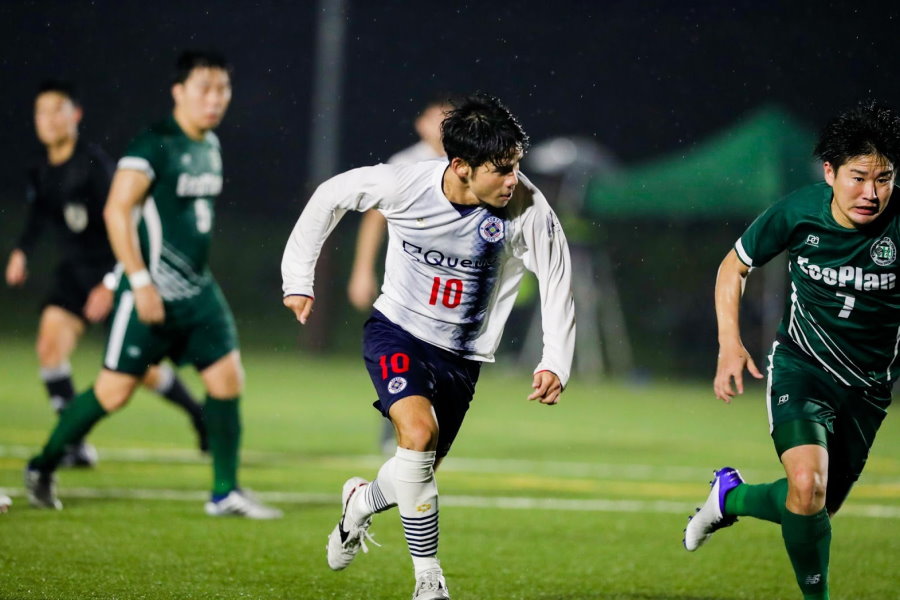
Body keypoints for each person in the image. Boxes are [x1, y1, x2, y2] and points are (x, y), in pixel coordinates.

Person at [282, 93, 575, 600]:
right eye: (501, 170)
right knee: (417, 435)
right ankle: (428, 579)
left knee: (413, 475)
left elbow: (556, 277)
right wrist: (297, 277)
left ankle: (359, 502)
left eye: (516, 167)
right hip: (396, 331)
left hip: (462, 356)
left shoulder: (527, 208)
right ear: (460, 166)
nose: (513, 180)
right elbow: (331, 194)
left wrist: (556, 360)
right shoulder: (406, 184)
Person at [24, 52, 282, 519]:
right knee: (113, 392)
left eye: (222, 88)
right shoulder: (154, 144)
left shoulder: (211, 144)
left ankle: (225, 492)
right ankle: (41, 465)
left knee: (227, 379)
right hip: (152, 293)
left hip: (198, 291)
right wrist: (138, 281)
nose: (215, 98)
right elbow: (116, 210)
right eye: (204, 87)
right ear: (178, 91)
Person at [683, 100, 900, 600]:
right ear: (830, 172)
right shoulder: (798, 212)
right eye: (858, 177)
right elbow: (731, 268)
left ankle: (729, 498)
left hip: (869, 387)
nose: (871, 192)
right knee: (806, 485)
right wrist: (730, 342)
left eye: (884, 178)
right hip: (803, 367)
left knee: (814, 504)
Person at [6, 80, 206, 466]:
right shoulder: (39, 167)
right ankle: (73, 444)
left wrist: (113, 282)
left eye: (56, 111)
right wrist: (21, 252)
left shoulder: (95, 166)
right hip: (72, 276)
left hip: (113, 273)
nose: (47, 120)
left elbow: (127, 220)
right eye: (40, 113)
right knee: (49, 347)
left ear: (75, 115)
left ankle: (198, 415)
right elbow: (38, 215)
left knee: (141, 370)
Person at [346, 95, 453, 454]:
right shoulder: (405, 163)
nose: (442, 125)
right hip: (409, 278)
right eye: (435, 117)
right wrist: (362, 271)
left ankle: (421, 426)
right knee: (405, 351)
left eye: (449, 118)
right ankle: (398, 423)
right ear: (420, 124)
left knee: (445, 357)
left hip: (451, 280)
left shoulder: (466, 161)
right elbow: (375, 216)